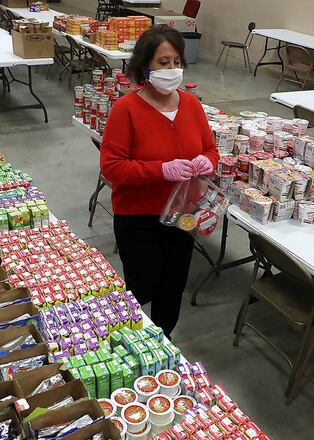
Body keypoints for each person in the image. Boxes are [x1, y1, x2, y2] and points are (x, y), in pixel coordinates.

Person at [100, 25, 219, 337]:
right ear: (145, 67)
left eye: (177, 62)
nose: (172, 70)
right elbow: (112, 167)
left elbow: (210, 149)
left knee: (173, 285)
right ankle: (137, 341)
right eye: (163, 63)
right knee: (142, 286)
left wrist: (208, 161)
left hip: (183, 215)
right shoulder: (126, 110)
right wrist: (161, 170)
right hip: (139, 217)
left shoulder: (191, 105)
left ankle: (164, 338)